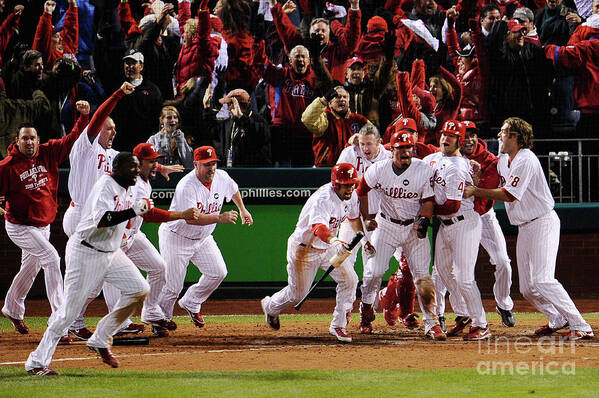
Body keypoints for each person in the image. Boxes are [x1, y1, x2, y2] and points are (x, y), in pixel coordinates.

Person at [63, 84, 183, 340]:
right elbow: (96, 120)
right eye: (109, 127)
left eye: (115, 128)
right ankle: (74, 321)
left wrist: (158, 168)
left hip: (110, 222)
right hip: (84, 217)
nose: (113, 131)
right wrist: (117, 94)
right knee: (93, 277)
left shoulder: (112, 154)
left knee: (118, 271)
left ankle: (120, 320)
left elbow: (137, 160)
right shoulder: (85, 148)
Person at [464, 117, 594, 341]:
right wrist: (473, 168)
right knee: (527, 288)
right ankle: (557, 318)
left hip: (542, 221)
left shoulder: (526, 159)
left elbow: (509, 194)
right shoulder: (504, 159)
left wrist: (475, 190)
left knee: (543, 279)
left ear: (515, 137)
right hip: (524, 226)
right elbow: (488, 167)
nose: (499, 136)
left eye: (504, 132)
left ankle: (580, 324)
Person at [25, 152, 154, 375]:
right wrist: (134, 210)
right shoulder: (106, 185)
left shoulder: (130, 187)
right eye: (132, 168)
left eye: (137, 167)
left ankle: (101, 338)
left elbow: (136, 214)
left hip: (111, 252)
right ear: (118, 169)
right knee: (68, 313)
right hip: (86, 251)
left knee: (139, 289)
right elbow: (103, 220)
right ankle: (37, 362)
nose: (136, 171)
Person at [0, 112, 88, 342]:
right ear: (17, 141)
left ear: (38, 140)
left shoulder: (48, 152)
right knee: (50, 257)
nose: (29, 142)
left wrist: (83, 117)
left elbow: (72, 138)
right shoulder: (7, 166)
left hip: (43, 225)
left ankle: (12, 308)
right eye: (24, 139)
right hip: (20, 226)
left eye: (32, 138)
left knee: (31, 267)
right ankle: (59, 322)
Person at [356, 131, 445, 340]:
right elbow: (361, 189)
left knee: (423, 277)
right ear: (392, 150)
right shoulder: (379, 169)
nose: (406, 152)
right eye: (401, 148)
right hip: (386, 225)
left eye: (409, 148)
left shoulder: (422, 169)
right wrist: (367, 216)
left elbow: (429, 200)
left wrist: (424, 219)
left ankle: (431, 323)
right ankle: (366, 311)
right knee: (374, 271)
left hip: (413, 227)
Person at [260, 163, 363, 343]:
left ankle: (338, 325)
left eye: (352, 184)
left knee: (350, 279)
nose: (350, 188)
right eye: (346, 184)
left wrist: (364, 237)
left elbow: (354, 219)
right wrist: (334, 240)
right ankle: (270, 306)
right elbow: (318, 227)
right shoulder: (324, 199)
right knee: (297, 295)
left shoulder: (352, 196)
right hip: (305, 248)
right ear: (336, 184)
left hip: (328, 246)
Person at [157, 146, 253, 328]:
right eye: (207, 164)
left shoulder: (221, 177)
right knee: (173, 286)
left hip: (203, 238)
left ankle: (192, 302)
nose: (212, 168)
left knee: (218, 272)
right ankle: (160, 320)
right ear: (195, 164)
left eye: (214, 163)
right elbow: (192, 219)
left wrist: (242, 209)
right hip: (177, 237)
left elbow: (233, 190)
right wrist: (220, 217)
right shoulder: (186, 185)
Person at [435, 121, 515, 327]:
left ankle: (504, 304)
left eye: (473, 135)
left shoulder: (489, 160)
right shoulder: (445, 155)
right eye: (466, 134)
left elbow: (483, 191)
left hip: (481, 215)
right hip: (456, 217)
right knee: (441, 270)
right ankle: (442, 314)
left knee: (502, 262)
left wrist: (473, 191)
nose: (469, 139)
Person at [423, 120, 490, 340]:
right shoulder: (434, 159)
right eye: (444, 134)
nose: (445, 138)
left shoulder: (459, 167)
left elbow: (452, 205)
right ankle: (463, 314)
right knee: (442, 270)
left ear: (460, 141)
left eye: (451, 136)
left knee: (464, 278)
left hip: (464, 223)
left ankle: (481, 324)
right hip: (445, 225)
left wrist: (427, 208)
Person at [301, 86, 370, 167]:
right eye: (338, 97)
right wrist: (323, 100)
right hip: (325, 168)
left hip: (351, 169)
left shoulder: (359, 120)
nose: (342, 99)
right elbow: (307, 119)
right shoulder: (324, 117)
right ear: (329, 103)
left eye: (345, 97)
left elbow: (374, 138)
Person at [111, 49, 163, 151]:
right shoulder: (116, 87)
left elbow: (156, 117)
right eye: (127, 63)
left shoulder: (152, 90)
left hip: (143, 144)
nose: (129, 67)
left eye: (133, 63)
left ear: (141, 66)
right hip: (120, 144)